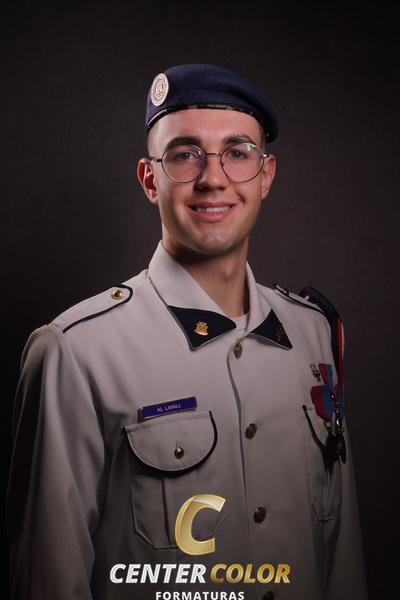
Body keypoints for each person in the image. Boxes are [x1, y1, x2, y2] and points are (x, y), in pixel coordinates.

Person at [7, 64, 367, 600]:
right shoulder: (76, 353)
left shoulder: (312, 333)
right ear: (149, 179)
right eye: (184, 154)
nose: (213, 178)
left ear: (266, 174)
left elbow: (342, 560)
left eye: (238, 152)